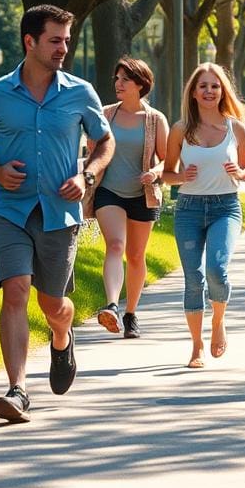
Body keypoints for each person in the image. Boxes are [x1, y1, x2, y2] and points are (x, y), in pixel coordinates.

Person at [0, 5, 114, 423]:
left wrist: (87, 176)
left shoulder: (80, 92)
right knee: (15, 290)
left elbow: (105, 142)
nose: (64, 47)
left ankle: (62, 336)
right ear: (30, 42)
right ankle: (17, 390)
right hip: (10, 209)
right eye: (55, 40)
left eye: (67, 40)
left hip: (59, 213)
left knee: (53, 304)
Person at [161, 63, 245, 369]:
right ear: (193, 92)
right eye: (203, 86)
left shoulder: (235, 127)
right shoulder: (180, 129)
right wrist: (181, 176)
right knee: (193, 279)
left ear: (222, 91)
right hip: (189, 209)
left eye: (215, 86)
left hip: (225, 207)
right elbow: (166, 173)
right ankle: (196, 346)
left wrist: (240, 172)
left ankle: (218, 322)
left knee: (216, 269)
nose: (209, 91)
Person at [88, 57, 169, 339]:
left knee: (135, 255)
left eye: (124, 79)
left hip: (142, 195)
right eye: (116, 78)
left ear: (140, 84)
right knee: (116, 244)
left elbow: (167, 161)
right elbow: (94, 151)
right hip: (108, 190)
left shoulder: (155, 119)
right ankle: (111, 304)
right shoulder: (105, 114)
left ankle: (131, 313)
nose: (118, 84)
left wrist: (155, 173)